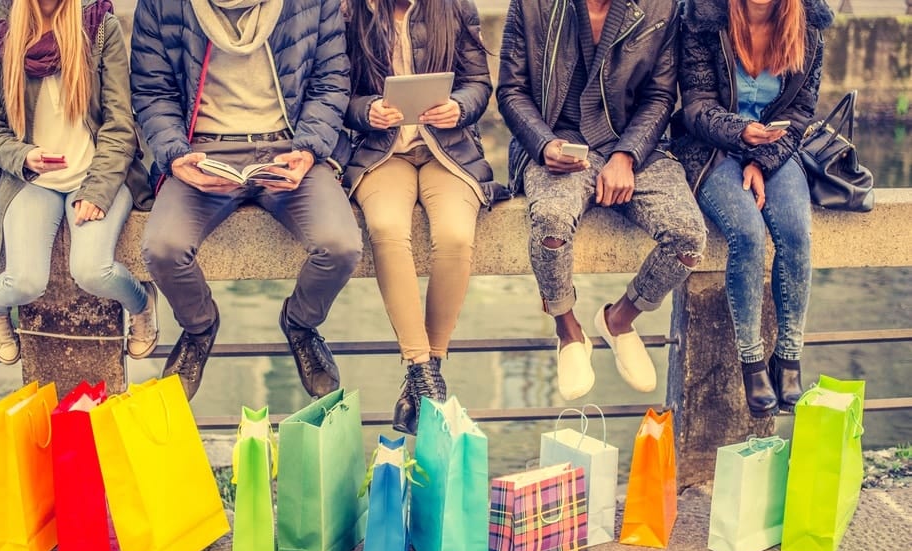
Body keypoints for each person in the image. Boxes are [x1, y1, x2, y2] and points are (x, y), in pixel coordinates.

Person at [130, 0, 363, 401]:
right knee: (163, 249)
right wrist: (175, 155)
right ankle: (200, 326)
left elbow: (331, 82)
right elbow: (152, 91)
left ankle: (300, 324)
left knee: (341, 246)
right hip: (201, 152)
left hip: (289, 149)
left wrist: (308, 150)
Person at [495, 0, 707, 400]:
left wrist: (626, 155)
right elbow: (510, 90)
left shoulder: (662, 6)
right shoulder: (531, 4)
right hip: (556, 145)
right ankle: (568, 329)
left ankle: (620, 320)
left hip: (632, 146)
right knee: (551, 223)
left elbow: (661, 97)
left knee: (688, 238)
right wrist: (543, 144)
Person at [341, 0, 509, 434]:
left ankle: (425, 370)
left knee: (455, 235)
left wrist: (458, 107)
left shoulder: (454, 7)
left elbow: (478, 84)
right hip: (382, 154)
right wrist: (367, 111)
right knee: (386, 227)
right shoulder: (351, 12)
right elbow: (336, 93)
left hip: (446, 151)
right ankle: (424, 370)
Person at [0, 0, 158, 366]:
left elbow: (121, 124)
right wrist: (21, 156)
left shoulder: (98, 24)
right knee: (24, 281)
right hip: (31, 181)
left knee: (93, 271)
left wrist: (98, 189)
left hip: (98, 174)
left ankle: (142, 303)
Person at [674, 0, 833, 418]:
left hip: (777, 151)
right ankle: (752, 361)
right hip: (711, 148)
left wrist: (761, 161)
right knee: (746, 233)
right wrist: (742, 136)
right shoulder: (703, 19)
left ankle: (789, 357)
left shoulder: (810, 26)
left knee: (796, 233)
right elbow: (696, 105)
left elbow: (800, 111)